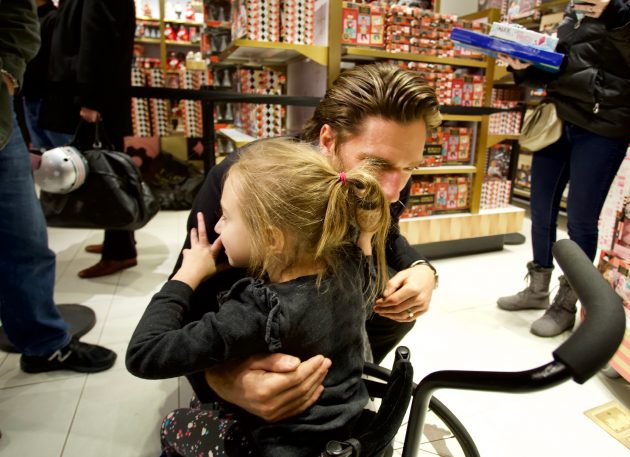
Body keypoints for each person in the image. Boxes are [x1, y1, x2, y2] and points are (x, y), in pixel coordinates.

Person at [169, 63, 441, 423]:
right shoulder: (248, 182)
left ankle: (342, 379)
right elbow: (190, 300)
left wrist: (423, 270)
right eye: (377, 165)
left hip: (326, 304)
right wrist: (224, 380)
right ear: (328, 139)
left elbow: (388, 236)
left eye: (410, 169)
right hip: (253, 316)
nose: (393, 192)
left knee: (393, 292)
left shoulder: (386, 184)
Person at [127, 138, 391, 456]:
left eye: (226, 215)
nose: (218, 225)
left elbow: (143, 354)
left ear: (270, 238)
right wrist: (365, 236)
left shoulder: (259, 310)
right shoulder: (348, 267)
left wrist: (187, 275)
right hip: (349, 433)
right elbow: (368, 281)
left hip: (278, 447)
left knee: (174, 424)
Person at [497, 0, 630, 337]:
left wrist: (616, 13)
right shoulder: (572, 13)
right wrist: (523, 67)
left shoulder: (622, 9)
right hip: (560, 116)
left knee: (580, 219)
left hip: (603, 124)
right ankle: (537, 287)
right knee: (541, 207)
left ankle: (566, 302)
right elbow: (562, 68)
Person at [0, 0, 116, 374]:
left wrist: (7, 73)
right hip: (40, 99)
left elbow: (20, 19)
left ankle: (44, 343)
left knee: (26, 238)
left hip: (8, 113)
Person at [37, 0, 138, 279]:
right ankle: (119, 242)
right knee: (108, 168)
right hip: (98, 95)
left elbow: (97, 39)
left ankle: (120, 251)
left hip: (96, 98)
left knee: (107, 172)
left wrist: (91, 99)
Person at [21, 0, 72, 151]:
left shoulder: (54, 18)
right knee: (40, 151)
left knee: (59, 151)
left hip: (47, 97)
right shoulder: (29, 18)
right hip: (31, 92)